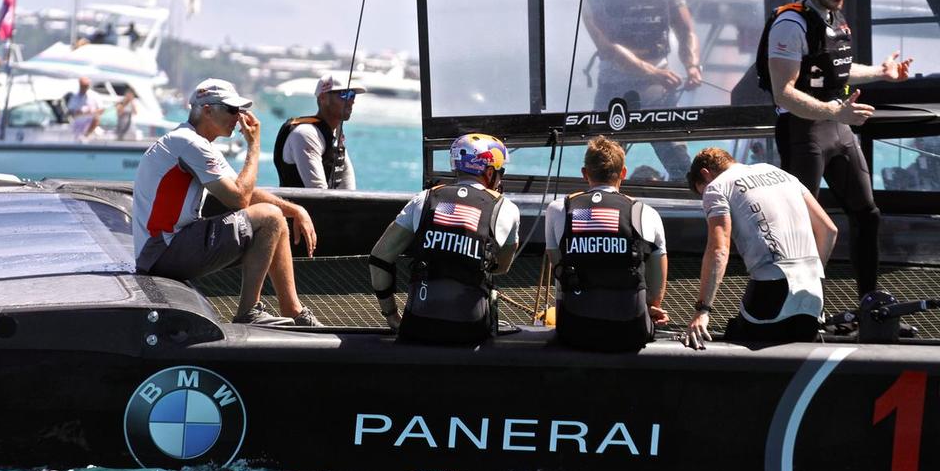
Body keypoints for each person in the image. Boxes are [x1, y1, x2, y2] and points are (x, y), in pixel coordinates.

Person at [763, 0, 912, 310]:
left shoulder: (835, 18)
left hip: (837, 127)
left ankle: (869, 300)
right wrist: (835, 113)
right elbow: (783, 94)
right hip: (804, 132)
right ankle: (799, 305)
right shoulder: (790, 23)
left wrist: (881, 72)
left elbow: (837, 69)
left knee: (867, 213)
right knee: (801, 227)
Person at [133, 78, 321, 327]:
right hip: (164, 251)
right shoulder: (189, 143)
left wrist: (295, 210)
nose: (239, 117)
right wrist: (254, 146)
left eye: (240, 110)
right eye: (232, 110)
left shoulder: (197, 143)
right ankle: (248, 312)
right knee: (270, 217)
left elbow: (243, 190)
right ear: (207, 109)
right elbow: (240, 199)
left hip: (170, 247)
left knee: (278, 221)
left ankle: (293, 310)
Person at [582, 0, 701, 180]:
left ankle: (687, 205)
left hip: (657, 88)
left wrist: (693, 65)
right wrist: (653, 72)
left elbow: (685, 30)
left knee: (677, 159)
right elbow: (606, 45)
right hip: (615, 85)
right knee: (602, 163)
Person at [368, 133, 520, 343]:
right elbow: (501, 267)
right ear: (490, 171)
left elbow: (379, 259)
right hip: (472, 330)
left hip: (418, 325)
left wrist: (392, 316)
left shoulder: (424, 198)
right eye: (500, 172)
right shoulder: (506, 208)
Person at [683, 147, 838, 349]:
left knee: (738, 355)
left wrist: (702, 310)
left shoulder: (716, 187)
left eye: (701, 191)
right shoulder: (781, 174)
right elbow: (829, 229)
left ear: (706, 174)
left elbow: (719, 250)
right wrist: (814, 274)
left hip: (773, 287)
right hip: (814, 288)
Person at [544, 136, 669, 351]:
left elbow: (559, 271)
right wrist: (650, 306)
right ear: (623, 173)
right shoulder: (646, 213)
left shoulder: (558, 209)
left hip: (573, 330)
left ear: (585, 173)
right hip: (631, 330)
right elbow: (656, 292)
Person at [273, 73, 365, 189]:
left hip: (326, 205)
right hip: (301, 206)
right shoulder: (306, 134)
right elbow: (318, 193)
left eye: (352, 95)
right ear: (323, 98)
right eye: (344, 94)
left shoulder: (335, 135)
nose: (351, 101)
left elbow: (349, 191)